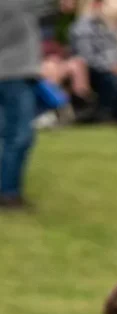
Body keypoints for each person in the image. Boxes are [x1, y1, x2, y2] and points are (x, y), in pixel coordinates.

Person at [0, 0, 57, 209]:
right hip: (16, 73)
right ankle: (8, 193)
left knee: (6, 134)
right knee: (20, 135)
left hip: (8, 74)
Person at [69, 0, 117, 123]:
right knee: (111, 80)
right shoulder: (82, 26)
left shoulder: (107, 26)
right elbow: (86, 56)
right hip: (94, 70)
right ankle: (105, 115)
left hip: (114, 67)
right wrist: (110, 67)